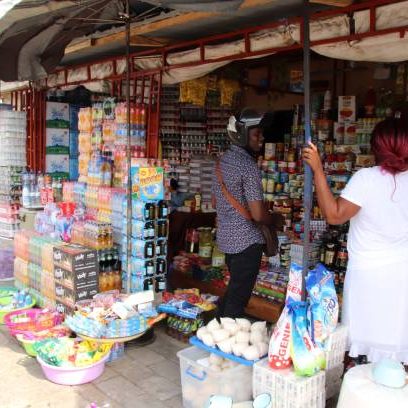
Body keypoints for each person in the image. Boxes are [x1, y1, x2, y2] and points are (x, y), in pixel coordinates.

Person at [303, 118, 408, 364]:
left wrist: (318, 169)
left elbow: (334, 215)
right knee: (397, 340)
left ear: (376, 147)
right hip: (402, 273)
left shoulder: (367, 178)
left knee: (363, 344)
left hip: (367, 277)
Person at [212, 108, 281, 318]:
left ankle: (215, 328)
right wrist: (276, 219)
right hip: (247, 243)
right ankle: (222, 339)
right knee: (237, 299)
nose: (262, 138)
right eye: (256, 133)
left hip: (227, 241)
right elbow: (259, 215)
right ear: (242, 135)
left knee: (234, 290)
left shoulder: (222, 162)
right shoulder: (248, 166)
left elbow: (216, 201)